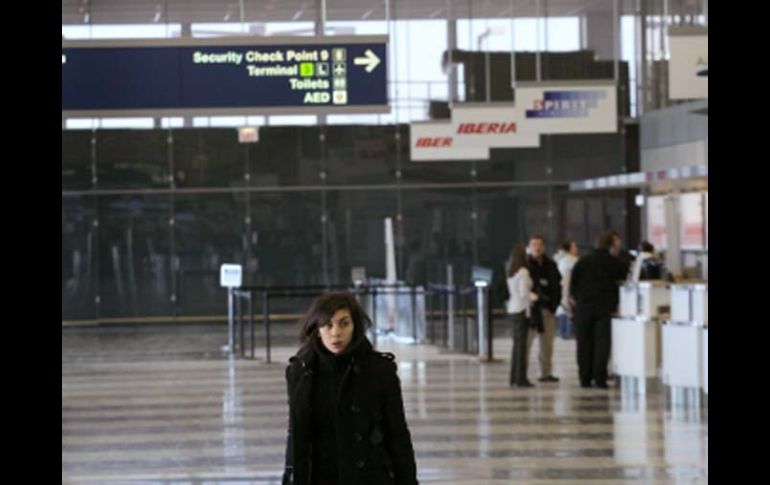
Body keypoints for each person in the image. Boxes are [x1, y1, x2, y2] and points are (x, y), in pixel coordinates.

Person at [282, 293, 418, 485]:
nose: (335, 333)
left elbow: (397, 434)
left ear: (355, 326)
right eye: (327, 325)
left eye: (344, 324)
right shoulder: (300, 372)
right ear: (317, 329)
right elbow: (296, 434)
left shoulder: (379, 370)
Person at [570, 230, 630, 389]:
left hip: (583, 306)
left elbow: (573, 285)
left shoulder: (583, 261)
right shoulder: (614, 262)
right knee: (602, 344)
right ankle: (600, 378)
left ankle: (584, 378)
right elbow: (624, 279)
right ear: (612, 245)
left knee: (584, 343)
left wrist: (577, 300)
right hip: (604, 308)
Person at [525, 235, 562, 383]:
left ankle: (546, 372)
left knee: (547, 344)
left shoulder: (551, 265)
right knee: (527, 343)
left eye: (540, 244)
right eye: (534, 244)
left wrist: (554, 305)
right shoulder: (525, 265)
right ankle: (522, 373)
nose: (537, 247)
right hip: (531, 311)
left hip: (548, 310)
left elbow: (557, 286)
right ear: (529, 247)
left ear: (544, 247)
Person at [506, 243, 538, 387]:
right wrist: (534, 297)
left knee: (516, 346)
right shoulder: (523, 271)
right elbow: (524, 292)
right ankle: (521, 378)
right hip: (521, 310)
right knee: (521, 347)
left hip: (512, 309)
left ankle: (514, 377)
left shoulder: (511, 271)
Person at [555, 241, 579, 339]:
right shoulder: (572, 260)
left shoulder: (560, 260)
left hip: (562, 291)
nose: (576, 248)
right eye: (574, 246)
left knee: (564, 311)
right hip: (570, 292)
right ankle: (569, 333)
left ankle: (564, 332)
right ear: (569, 249)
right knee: (570, 312)